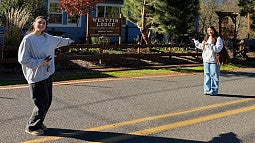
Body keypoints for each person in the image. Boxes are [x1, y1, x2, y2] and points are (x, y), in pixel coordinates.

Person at [18, 16, 74, 136]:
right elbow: (23, 59)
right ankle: (31, 126)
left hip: (47, 74)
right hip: (36, 76)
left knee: (47, 101)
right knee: (41, 103)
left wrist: (69, 41)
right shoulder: (28, 40)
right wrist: (40, 62)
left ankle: (39, 122)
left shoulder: (47, 38)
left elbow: (59, 41)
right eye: (39, 22)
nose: (42, 25)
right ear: (34, 24)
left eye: (44, 23)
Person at [193, 26, 223, 96]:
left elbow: (218, 49)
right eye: (208, 30)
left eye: (211, 30)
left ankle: (214, 91)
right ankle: (207, 90)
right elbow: (202, 47)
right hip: (206, 59)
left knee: (214, 76)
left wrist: (210, 45)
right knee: (207, 75)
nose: (210, 32)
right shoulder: (206, 38)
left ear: (214, 30)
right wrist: (196, 41)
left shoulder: (218, 39)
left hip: (214, 60)